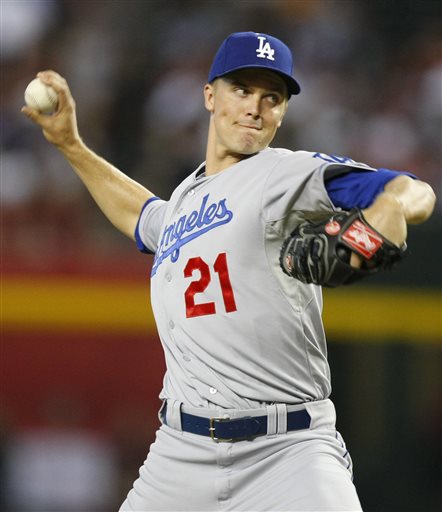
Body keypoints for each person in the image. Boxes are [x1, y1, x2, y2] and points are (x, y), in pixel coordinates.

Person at [22, 32, 435, 512]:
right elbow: (141, 215)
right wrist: (71, 145)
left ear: (283, 112)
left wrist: (387, 209)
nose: (254, 108)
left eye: (271, 97)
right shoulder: (184, 201)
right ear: (209, 96)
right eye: (241, 89)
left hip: (288, 451)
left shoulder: (284, 173)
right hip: (180, 452)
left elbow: (414, 190)